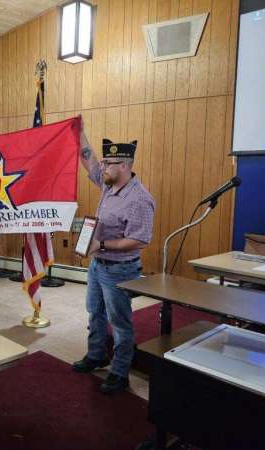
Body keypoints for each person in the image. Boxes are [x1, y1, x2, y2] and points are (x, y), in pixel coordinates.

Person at [72, 127, 155, 395]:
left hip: (120, 269)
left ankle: (120, 373)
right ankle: (97, 355)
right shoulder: (109, 183)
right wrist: (79, 131)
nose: (103, 167)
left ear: (125, 166)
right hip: (98, 264)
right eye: (105, 162)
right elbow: (89, 159)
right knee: (94, 312)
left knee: (120, 323)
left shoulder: (139, 199)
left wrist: (102, 244)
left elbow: (139, 240)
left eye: (109, 163)